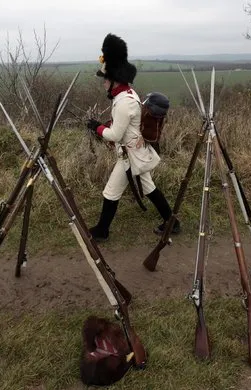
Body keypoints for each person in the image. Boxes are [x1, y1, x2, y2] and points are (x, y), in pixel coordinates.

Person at [86, 33, 180, 242]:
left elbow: (115, 134)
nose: (103, 84)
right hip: (134, 151)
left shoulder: (123, 101)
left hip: (130, 155)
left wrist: (97, 128)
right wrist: (104, 126)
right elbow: (124, 126)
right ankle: (173, 223)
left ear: (113, 81)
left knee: (111, 191)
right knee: (149, 187)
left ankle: (102, 231)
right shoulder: (128, 94)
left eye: (105, 80)